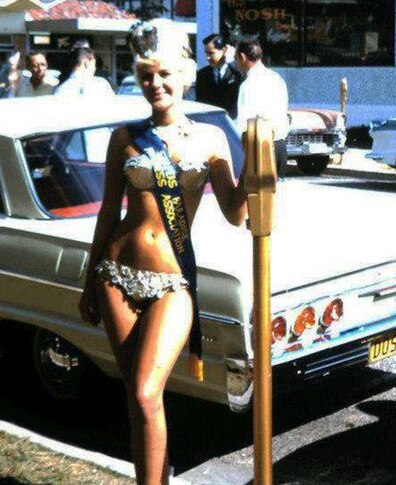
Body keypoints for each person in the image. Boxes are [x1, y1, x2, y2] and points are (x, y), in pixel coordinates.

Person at [78, 20, 247, 485]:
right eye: (147, 74)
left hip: (173, 283)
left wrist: (260, 165)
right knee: (139, 399)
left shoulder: (212, 140)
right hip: (115, 275)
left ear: (185, 75)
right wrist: (87, 280)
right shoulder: (125, 137)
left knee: (148, 390)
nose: (156, 83)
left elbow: (235, 212)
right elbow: (107, 213)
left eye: (165, 73)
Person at [233, 38, 289, 179]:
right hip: (280, 147)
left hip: (260, 148)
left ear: (243, 57)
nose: (236, 63)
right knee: (277, 198)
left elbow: (243, 124)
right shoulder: (277, 78)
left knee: (257, 199)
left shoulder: (248, 85)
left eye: (236, 58)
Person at [195, 34, 242, 118]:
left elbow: (244, 79)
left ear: (224, 50)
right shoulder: (202, 74)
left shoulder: (235, 71)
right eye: (206, 53)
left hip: (233, 122)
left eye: (211, 53)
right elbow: (199, 102)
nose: (207, 58)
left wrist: (231, 60)